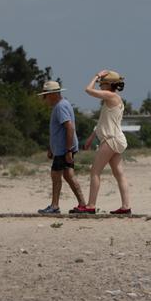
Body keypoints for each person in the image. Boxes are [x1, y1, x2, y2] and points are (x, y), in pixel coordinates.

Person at [74, 70, 131, 215]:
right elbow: (104, 122)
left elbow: (88, 90)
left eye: (102, 83)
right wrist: (92, 137)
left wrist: (96, 76)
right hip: (116, 138)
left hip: (111, 139)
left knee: (95, 171)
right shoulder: (114, 99)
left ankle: (91, 205)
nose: (100, 86)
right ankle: (126, 207)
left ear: (109, 85)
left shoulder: (110, 96)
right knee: (119, 174)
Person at [37, 81, 86, 214]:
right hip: (61, 148)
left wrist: (68, 150)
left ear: (52, 94)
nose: (44, 99)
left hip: (63, 149)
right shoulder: (62, 105)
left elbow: (69, 127)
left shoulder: (60, 107)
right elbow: (57, 131)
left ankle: (54, 206)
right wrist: (51, 147)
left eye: (46, 95)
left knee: (55, 175)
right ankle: (83, 204)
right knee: (69, 175)